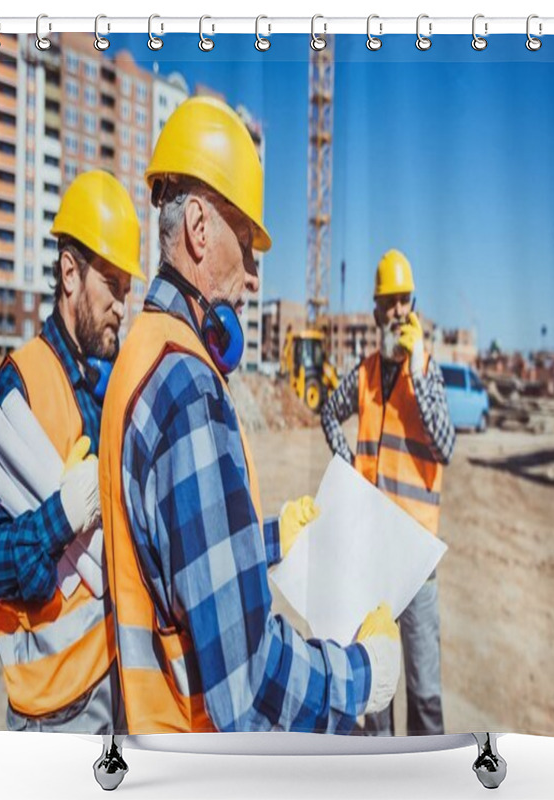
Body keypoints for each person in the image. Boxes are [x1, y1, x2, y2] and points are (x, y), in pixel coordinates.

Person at [99, 96, 401, 734]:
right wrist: (363, 675)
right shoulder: (188, 387)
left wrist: (269, 540)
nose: (257, 276)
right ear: (201, 230)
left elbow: (176, 558)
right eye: (249, 245)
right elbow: (247, 683)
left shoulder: (141, 352)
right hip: (199, 745)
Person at [0, 170, 143, 733]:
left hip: (113, 683)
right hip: (51, 713)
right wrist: (60, 517)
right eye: (113, 284)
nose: (124, 302)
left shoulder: (103, 385)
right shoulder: (15, 389)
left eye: (128, 287)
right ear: (70, 274)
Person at [321, 248, 456, 736]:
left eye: (404, 301)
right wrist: (347, 462)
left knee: (424, 692)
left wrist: (418, 370)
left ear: (413, 307)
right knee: (378, 688)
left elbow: (446, 445)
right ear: (376, 310)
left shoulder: (430, 373)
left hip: (416, 563)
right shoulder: (364, 375)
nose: (397, 311)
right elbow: (328, 413)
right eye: (388, 302)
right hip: (372, 555)